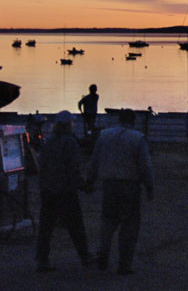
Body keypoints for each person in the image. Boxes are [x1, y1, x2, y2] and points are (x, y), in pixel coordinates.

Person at [86, 109, 154, 275]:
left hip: (109, 185)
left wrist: (90, 180)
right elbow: (145, 166)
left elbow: (95, 160)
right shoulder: (137, 138)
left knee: (108, 222)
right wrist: (149, 186)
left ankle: (103, 255)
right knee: (129, 226)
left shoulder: (104, 135)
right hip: (130, 185)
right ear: (133, 121)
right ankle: (124, 264)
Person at [35, 111, 92, 272]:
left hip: (48, 190)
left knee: (46, 226)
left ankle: (42, 260)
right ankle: (85, 256)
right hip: (65, 190)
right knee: (75, 225)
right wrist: (82, 185)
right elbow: (73, 168)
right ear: (68, 125)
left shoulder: (49, 142)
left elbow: (43, 166)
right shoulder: (70, 142)